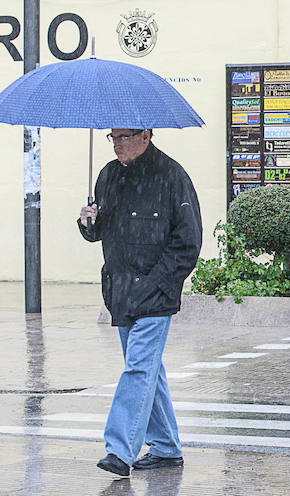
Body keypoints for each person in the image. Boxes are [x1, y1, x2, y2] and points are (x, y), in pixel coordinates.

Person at [78, 129, 202, 476]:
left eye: (125, 137)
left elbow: (189, 240)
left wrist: (158, 283)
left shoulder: (171, 175)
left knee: (137, 368)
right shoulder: (108, 175)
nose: (118, 144)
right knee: (148, 371)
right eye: (113, 137)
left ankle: (119, 449)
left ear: (146, 135)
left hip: (155, 294)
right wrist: (89, 223)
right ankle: (165, 448)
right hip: (120, 290)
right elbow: (103, 229)